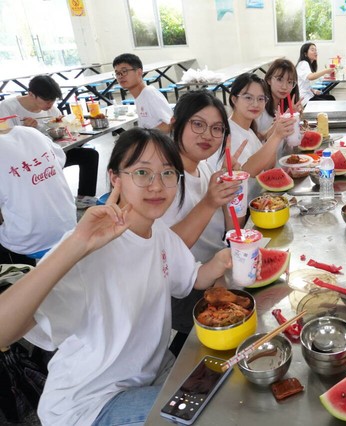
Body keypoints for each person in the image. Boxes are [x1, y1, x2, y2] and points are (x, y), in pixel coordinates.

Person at [0, 127, 233, 425]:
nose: (156, 186)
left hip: (149, 375)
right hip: (92, 402)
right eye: (142, 172)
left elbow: (193, 278)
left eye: (167, 173)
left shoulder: (158, 232)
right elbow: (4, 332)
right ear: (115, 178)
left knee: (228, 384)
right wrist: (75, 245)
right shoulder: (88, 247)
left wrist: (224, 261)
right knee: (213, 414)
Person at [160, 91, 242, 355]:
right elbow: (165, 251)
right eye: (198, 124)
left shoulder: (204, 167)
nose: (207, 135)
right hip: (185, 289)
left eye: (217, 128)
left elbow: (229, 227)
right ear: (175, 124)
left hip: (218, 270)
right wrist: (209, 202)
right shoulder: (163, 180)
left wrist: (231, 193)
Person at [0, 75, 99, 208]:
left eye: (53, 101)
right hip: (27, 162)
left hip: (50, 154)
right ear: (31, 94)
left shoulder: (51, 109)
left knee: (89, 155)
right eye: (47, 101)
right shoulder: (8, 107)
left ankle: (84, 198)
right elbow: (6, 140)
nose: (50, 105)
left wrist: (64, 125)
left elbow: (60, 132)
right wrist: (25, 130)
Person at [0, 122, 76, 266]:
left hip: (31, 242)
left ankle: (21, 276)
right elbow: (60, 160)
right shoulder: (31, 132)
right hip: (69, 225)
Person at [213, 73, 295, 177]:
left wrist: (274, 134)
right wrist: (276, 136)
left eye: (260, 99)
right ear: (234, 100)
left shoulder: (249, 130)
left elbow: (268, 166)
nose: (255, 104)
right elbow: (247, 172)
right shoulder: (230, 133)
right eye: (248, 98)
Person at [113, 53, 173, 133]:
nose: (120, 76)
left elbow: (169, 125)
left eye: (124, 71)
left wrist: (144, 137)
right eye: (117, 73)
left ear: (139, 72)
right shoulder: (139, 96)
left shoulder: (149, 93)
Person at [255, 59, 301, 140]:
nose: (284, 87)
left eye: (290, 82)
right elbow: (252, 140)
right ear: (269, 80)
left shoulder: (288, 108)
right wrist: (275, 127)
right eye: (279, 79)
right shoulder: (258, 107)